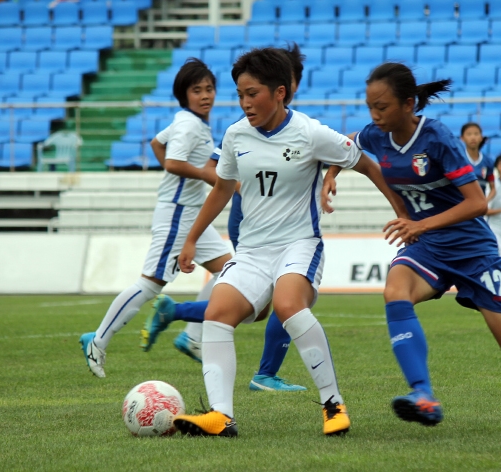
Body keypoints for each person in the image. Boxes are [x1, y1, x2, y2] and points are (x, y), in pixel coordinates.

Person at [322, 62, 501, 427]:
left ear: (408, 103)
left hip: (474, 252)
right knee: (395, 291)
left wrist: (419, 223)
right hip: (429, 247)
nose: (375, 115)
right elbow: (352, 143)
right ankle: (423, 395)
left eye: (382, 107)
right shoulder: (377, 134)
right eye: (370, 106)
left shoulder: (436, 138)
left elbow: (477, 203)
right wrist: (330, 175)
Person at [169, 47, 403, 438]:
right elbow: (223, 188)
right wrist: (192, 238)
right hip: (252, 251)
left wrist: (402, 211)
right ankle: (221, 415)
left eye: (253, 93)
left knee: (288, 304)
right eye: (240, 94)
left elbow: (364, 162)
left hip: (299, 245)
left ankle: (333, 405)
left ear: (280, 92)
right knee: (217, 313)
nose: (245, 103)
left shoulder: (310, 132)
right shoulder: (235, 135)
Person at [141, 44, 308, 393]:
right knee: (284, 295)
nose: (289, 89)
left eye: (292, 82)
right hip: (254, 221)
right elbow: (216, 169)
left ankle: (180, 315)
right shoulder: (246, 129)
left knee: (264, 303)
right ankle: (264, 374)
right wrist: (243, 189)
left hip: (278, 224)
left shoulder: (292, 127)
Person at [79, 58, 233, 378]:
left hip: (189, 213)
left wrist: (196, 178)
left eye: (210, 89)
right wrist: (204, 175)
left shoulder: (188, 121)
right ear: (184, 94)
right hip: (177, 213)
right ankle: (98, 339)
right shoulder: (190, 125)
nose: (205, 95)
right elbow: (173, 163)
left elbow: (156, 143)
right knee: (151, 284)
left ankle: (192, 336)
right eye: (197, 90)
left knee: (230, 270)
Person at [460, 122, 496, 202]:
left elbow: (493, 189)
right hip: (462, 207)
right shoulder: (458, 160)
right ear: (462, 138)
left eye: (476, 134)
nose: (473, 137)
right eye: (469, 134)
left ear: (481, 137)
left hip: (479, 210)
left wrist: (484, 202)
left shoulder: (488, 161)